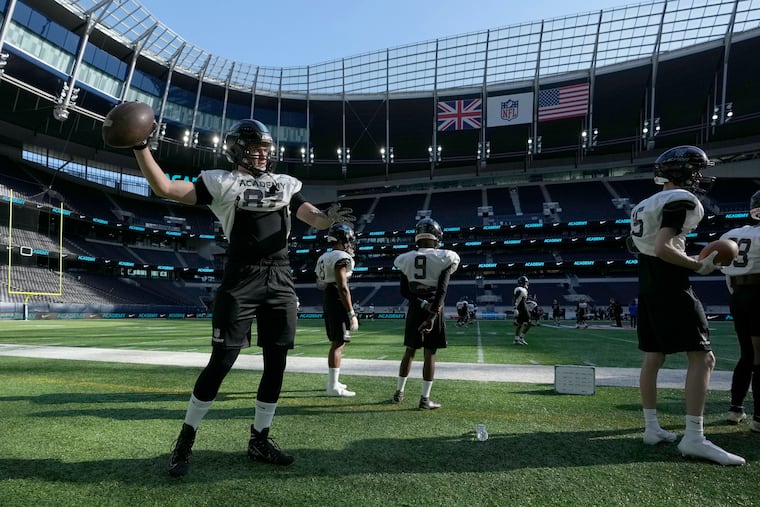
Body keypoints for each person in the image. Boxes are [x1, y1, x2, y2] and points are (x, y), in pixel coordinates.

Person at [132, 119, 355, 476]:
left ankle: (260, 439)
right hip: (242, 277)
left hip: (280, 278)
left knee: (276, 362)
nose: (263, 154)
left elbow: (310, 215)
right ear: (236, 148)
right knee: (221, 362)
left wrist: (327, 219)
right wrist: (141, 147)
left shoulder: (283, 184)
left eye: (266, 148)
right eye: (256, 148)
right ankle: (185, 442)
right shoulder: (222, 181)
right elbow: (165, 188)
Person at [629, 145, 744, 465]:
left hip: (646, 281)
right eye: (696, 171)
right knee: (704, 357)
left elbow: (641, 245)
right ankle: (694, 437)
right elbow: (664, 247)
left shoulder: (643, 204)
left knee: (654, 355)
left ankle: (652, 427)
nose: (700, 177)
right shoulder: (682, 199)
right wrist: (698, 264)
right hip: (669, 281)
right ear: (684, 173)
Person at [391, 217, 460, 409]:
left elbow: (404, 292)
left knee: (410, 350)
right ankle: (424, 399)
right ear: (437, 236)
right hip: (435, 306)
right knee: (430, 353)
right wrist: (431, 315)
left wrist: (421, 304)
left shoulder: (404, 259)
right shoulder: (446, 256)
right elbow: (442, 290)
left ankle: (399, 392)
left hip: (416, 306)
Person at [719, 190, 760, 431]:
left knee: (747, 354)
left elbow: (724, 267)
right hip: (758, 294)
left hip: (738, 295)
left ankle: (736, 408)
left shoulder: (731, 233)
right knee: (759, 357)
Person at [315, 222, 359, 397]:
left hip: (328, 296)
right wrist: (351, 313)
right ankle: (332, 386)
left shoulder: (324, 257)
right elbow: (342, 287)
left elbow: (320, 283)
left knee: (337, 342)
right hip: (336, 298)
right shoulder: (341, 257)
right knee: (338, 343)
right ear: (344, 239)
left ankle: (334, 381)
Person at [512, 276, 531, 345]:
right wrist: (514, 308)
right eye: (526, 282)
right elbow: (514, 299)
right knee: (529, 323)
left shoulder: (524, 289)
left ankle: (517, 339)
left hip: (522, 307)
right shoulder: (519, 289)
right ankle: (520, 338)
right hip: (521, 308)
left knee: (520, 324)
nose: (527, 283)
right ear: (522, 282)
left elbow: (523, 299)